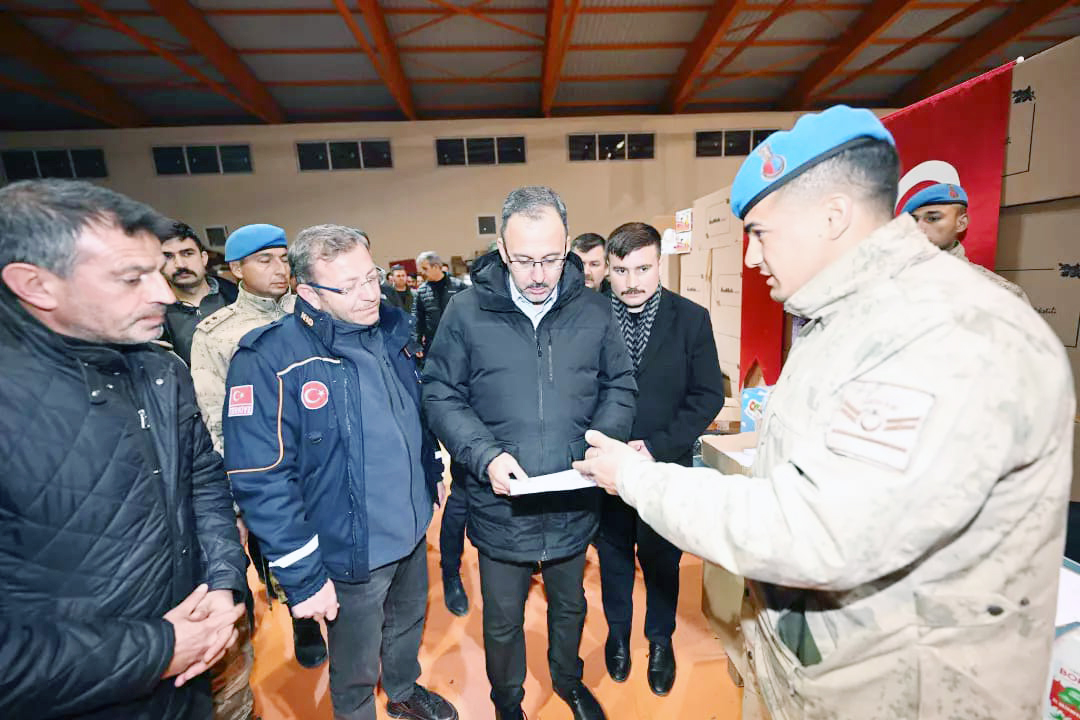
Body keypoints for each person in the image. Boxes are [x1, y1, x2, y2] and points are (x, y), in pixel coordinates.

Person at [574, 106, 1074, 720]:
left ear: (832, 216)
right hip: (821, 678)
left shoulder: (942, 330)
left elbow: (815, 532)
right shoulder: (843, 320)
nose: (753, 259)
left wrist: (637, 478)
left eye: (761, 233)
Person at [0, 179, 248, 719]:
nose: (162, 291)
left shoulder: (159, 368)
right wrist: (157, 649)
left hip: (189, 676)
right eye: (132, 278)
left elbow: (202, 481)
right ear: (37, 285)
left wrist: (224, 584)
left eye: (158, 270)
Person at [222, 225, 457, 720]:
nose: (370, 294)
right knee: (352, 656)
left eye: (370, 277)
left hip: (412, 527)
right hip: (349, 546)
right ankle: (355, 712)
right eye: (347, 287)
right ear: (308, 292)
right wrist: (303, 577)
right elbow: (261, 478)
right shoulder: (269, 359)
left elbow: (413, 412)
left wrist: (431, 464)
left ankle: (402, 689)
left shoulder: (392, 328)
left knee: (408, 621)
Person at [423, 186, 637, 720]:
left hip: (572, 493)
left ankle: (568, 681)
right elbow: (440, 392)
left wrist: (597, 445)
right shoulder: (466, 312)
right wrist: (485, 455)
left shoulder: (594, 311)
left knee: (570, 605)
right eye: (523, 260)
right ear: (501, 248)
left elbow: (620, 384)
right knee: (501, 617)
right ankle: (508, 701)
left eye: (550, 258)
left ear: (567, 246)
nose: (538, 274)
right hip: (502, 500)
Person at [190, 224, 328, 692]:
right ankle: (303, 618)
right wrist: (237, 495)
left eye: (283, 259)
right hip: (269, 467)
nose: (278, 268)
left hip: (322, 459)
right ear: (235, 269)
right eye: (263, 260)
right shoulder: (216, 334)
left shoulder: (313, 311)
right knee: (280, 544)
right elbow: (213, 419)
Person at [597, 222, 725, 696]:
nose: (632, 281)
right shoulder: (588, 317)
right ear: (608, 270)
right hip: (605, 469)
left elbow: (708, 395)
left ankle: (659, 641)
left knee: (661, 560)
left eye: (643, 268)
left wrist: (654, 447)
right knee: (612, 557)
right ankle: (617, 636)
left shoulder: (691, 318)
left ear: (660, 263)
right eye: (621, 270)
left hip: (663, 467)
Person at [412, 249, 471, 615]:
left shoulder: (463, 292)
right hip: (446, 381)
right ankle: (451, 571)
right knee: (460, 501)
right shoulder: (422, 296)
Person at [901, 182, 1029, 301]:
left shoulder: (998, 294)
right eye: (913, 220)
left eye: (933, 218)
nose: (918, 228)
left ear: (961, 223)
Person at [161, 223, 238, 364]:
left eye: (188, 253)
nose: (180, 264)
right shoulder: (153, 316)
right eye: (168, 256)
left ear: (204, 258)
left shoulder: (238, 299)